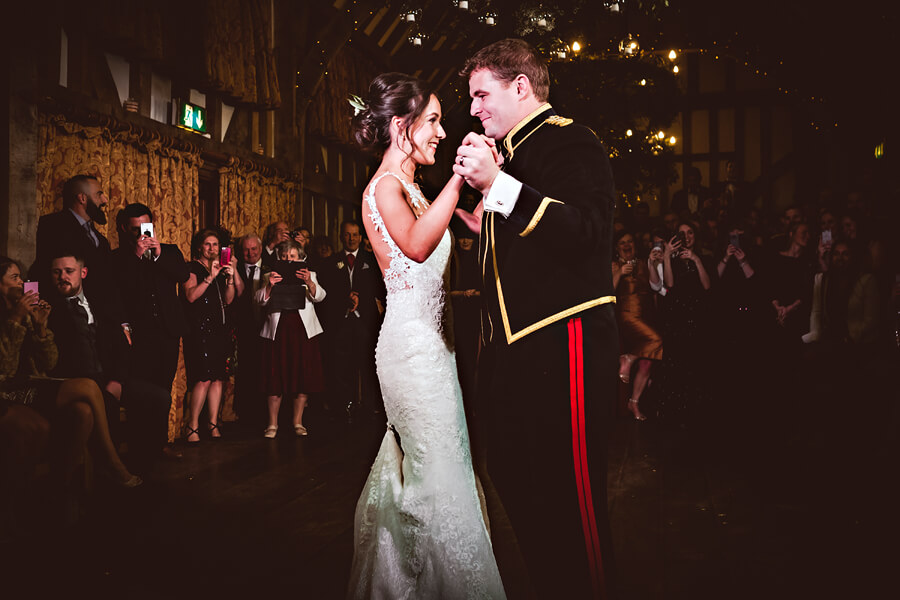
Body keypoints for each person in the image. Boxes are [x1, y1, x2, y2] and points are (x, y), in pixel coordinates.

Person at [454, 38, 618, 599]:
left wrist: (497, 187)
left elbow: (589, 232)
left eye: (482, 94)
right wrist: (487, 227)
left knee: (571, 500)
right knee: (517, 477)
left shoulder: (570, 140)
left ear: (520, 86)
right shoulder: (514, 158)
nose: (473, 109)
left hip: (563, 341)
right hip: (512, 351)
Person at [346, 72, 505, 599]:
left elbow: (469, 233)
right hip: (410, 353)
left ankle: (409, 582)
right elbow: (415, 245)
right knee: (439, 476)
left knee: (445, 470)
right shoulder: (386, 188)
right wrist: (460, 179)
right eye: (432, 121)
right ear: (400, 127)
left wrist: (486, 185)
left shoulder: (414, 189)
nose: (441, 132)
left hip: (436, 352)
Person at [0, 256, 140, 498]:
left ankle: (60, 488)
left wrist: (41, 328)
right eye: (14, 278)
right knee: (87, 387)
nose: (22, 283)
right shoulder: (8, 317)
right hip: (7, 389)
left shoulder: (27, 313)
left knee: (84, 412)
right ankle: (112, 462)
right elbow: (6, 369)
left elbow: (48, 363)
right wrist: (14, 320)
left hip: (32, 384)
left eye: (22, 277)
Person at [111, 203, 189, 459]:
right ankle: (140, 447)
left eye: (144, 229)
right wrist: (135, 255)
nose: (140, 236)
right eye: (135, 230)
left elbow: (182, 274)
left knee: (164, 390)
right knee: (142, 392)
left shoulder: (169, 251)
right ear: (124, 229)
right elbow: (122, 289)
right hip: (139, 335)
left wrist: (156, 254)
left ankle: (159, 444)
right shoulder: (118, 258)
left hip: (167, 331)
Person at [255, 240, 326, 438]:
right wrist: (269, 287)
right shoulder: (270, 276)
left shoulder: (310, 275)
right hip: (278, 331)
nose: (288, 260)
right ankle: (272, 424)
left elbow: (320, 296)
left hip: (302, 332)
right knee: (274, 377)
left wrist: (309, 283)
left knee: (302, 377)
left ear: (300, 258)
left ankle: (297, 422)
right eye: (285, 256)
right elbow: (259, 300)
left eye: (293, 256)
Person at [317, 220, 384, 420]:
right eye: (348, 234)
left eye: (355, 235)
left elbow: (378, 287)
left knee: (366, 363)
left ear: (361, 237)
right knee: (340, 365)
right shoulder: (331, 262)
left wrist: (359, 296)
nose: (352, 238)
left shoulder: (372, 260)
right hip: (341, 320)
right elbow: (326, 291)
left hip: (365, 320)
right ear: (341, 236)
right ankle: (345, 405)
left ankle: (368, 405)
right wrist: (345, 299)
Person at [181, 229, 242, 443]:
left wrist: (230, 277)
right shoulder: (192, 268)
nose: (212, 248)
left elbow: (229, 300)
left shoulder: (221, 268)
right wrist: (210, 277)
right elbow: (190, 296)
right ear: (200, 247)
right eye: (208, 244)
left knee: (218, 378)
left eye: (215, 245)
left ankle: (213, 423)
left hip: (220, 329)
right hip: (199, 330)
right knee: (203, 379)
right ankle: (193, 425)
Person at [612, 231, 663, 422]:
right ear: (617, 248)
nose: (627, 245)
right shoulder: (614, 265)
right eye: (622, 243)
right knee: (657, 341)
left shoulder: (643, 262)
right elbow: (607, 291)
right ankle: (628, 358)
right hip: (626, 318)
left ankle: (634, 401)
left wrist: (652, 263)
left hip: (646, 316)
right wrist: (619, 272)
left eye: (630, 241)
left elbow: (656, 286)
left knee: (648, 360)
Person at [234, 233, 266, 426]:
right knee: (244, 372)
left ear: (260, 250)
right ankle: (244, 413)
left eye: (254, 249)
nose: (250, 253)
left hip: (267, 327)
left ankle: (262, 413)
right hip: (242, 329)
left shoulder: (272, 267)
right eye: (246, 249)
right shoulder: (235, 269)